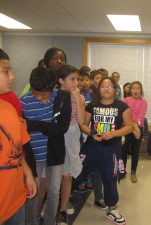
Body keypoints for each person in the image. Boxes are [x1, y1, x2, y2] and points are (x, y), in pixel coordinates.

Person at [73, 77, 133, 225]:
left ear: (115, 89)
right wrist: (92, 133)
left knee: (110, 179)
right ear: (98, 89)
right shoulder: (92, 105)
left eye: (109, 86)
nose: (106, 89)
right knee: (77, 172)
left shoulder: (122, 106)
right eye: (103, 86)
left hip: (112, 149)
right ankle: (62, 201)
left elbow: (129, 126)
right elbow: (84, 125)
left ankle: (111, 209)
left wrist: (114, 133)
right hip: (92, 146)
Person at [20, 67, 71, 225]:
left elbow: (61, 128)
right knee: (31, 192)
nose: (41, 98)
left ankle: (50, 221)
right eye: (37, 94)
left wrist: (32, 125)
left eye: (44, 95)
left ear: (53, 87)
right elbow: (21, 129)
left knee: (54, 191)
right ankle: (31, 221)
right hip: (32, 156)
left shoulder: (62, 98)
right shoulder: (23, 102)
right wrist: (46, 126)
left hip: (54, 154)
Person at [0, 48, 37, 225]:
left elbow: (16, 149)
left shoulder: (9, 109)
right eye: (6, 71)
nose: (12, 76)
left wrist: (28, 175)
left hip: (15, 199)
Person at [56, 65, 85, 223]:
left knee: (67, 174)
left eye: (77, 79)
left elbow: (81, 120)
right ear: (61, 80)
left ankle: (63, 207)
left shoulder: (78, 96)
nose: (76, 83)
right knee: (53, 173)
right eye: (72, 79)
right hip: (55, 135)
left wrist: (76, 98)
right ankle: (50, 203)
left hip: (72, 133)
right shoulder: (54, 95)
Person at [122, 81, 148, 183]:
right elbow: (125, 116)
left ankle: (133, 172)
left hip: (138, 128)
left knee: (135, 151)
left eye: (138, 88)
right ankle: (122, 171)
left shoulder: (144, 102)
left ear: (141, 90)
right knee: (123, 150)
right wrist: (134, 127)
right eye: (133, 88)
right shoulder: (125, 101)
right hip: (126, 128)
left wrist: (135, 127)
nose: (136, 90)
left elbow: (139, 118)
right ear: (130, 90)